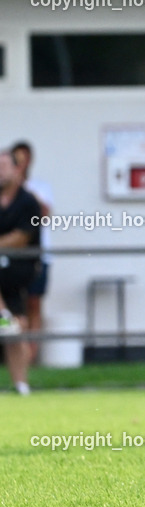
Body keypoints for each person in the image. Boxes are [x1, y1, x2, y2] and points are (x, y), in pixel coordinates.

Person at [0, 149, 42, 395]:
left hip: (16, 271)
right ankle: (4, 315)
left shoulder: (28, 202)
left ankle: (21, 385)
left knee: (15, 328)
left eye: (4, 166)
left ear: (17, 170)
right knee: (15, 326)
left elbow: (22, 237)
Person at [11, 141, 52, 364]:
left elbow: (44, 215)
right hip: (10, 259)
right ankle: (15, 350)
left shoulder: (38, 188)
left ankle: (31, 354)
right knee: (10, 309)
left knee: (34, 304)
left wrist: (25, 190)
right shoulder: (5, 192)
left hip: (35, 257)